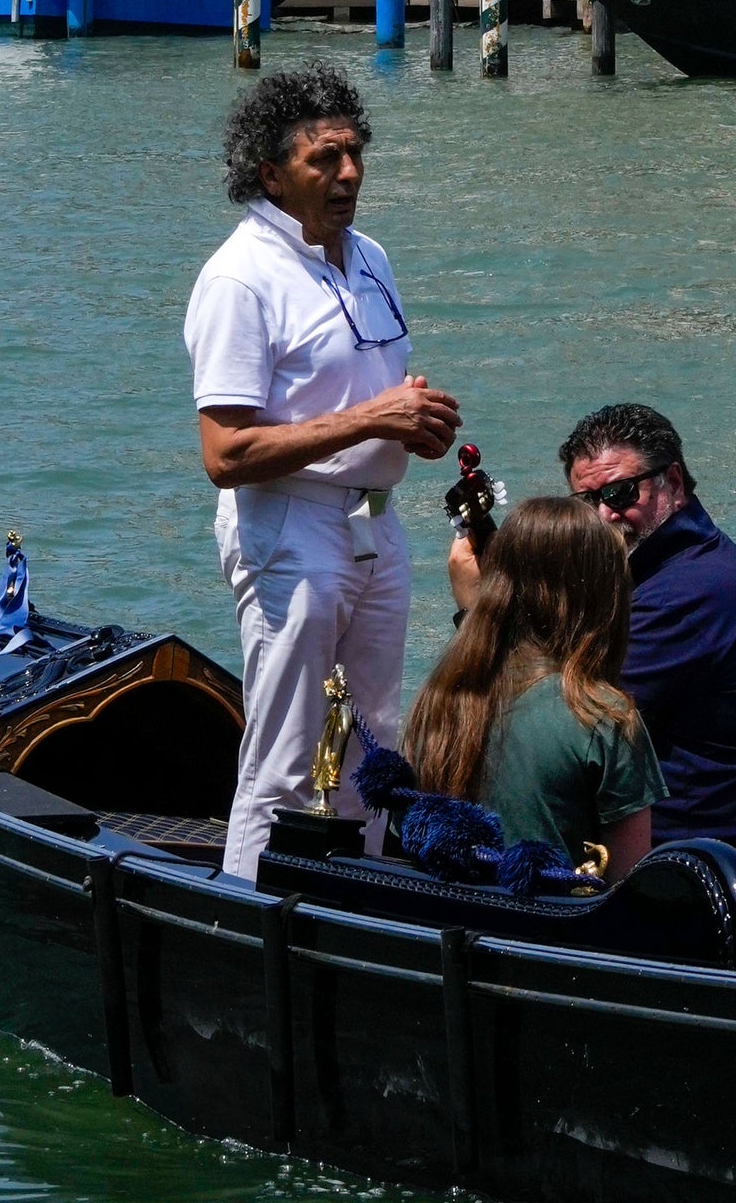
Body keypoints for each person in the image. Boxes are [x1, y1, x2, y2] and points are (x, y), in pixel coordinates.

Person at [186, 58, 461, 885]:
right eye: (324, 159)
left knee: (374, 747)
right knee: (286, 755)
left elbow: (365, 392)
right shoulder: (239, 279)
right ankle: (243, 915)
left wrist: (413, 423)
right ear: (271, 174)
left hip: (375, 523)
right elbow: (225, 455)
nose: (348, 173)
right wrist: (373, 419)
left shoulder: (370, 256)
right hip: (290, 527)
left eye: (354, 154)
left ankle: (359, 908)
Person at [459, 402, 736, 845]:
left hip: (695, 849)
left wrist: (479, 610)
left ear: (673, 483)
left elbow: (558, 717)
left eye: (621, 493)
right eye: (588, 501)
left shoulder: (685, 595)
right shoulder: (678, 565)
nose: (605, 515)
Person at [405, 496, 667, 879]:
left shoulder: (437, 701)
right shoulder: (604, 718)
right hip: (549, 916)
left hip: (447, 912)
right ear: (604, 598)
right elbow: (627, 886)